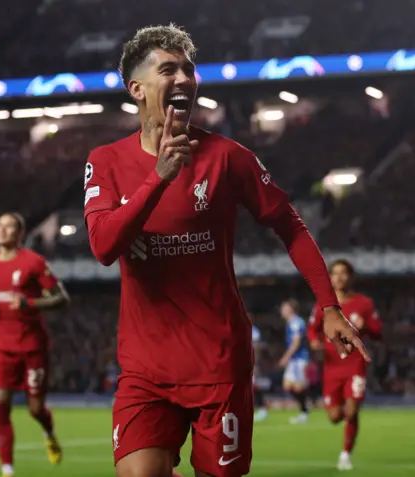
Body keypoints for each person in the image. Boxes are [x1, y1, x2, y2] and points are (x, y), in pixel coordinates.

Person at [83, 24, 368, 477]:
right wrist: (158, 178)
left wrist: (328, 305)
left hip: (219, 363)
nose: (184, 79)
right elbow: (103, 245)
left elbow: (289, 224)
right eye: (169, 69)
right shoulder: (106, 161)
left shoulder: (228, 157)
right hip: (146, 367)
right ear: (136, 88)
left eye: (189, 70)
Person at [0, 212, 70, 477]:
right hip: (1, 344)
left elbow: (62, 298)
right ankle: (7, 469)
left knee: (36, 408)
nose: (3, 230)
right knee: (0, 403)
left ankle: (49, 432)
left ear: (20, 234)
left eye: (9, 227)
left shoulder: (34, 263)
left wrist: (30, 303)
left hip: (31, 345)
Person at [308, 259, 381, 471]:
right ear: (329, 278)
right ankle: (346, 437)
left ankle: (346, 453)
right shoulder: (322, 306)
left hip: (355, 365)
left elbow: (379, 332)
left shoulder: (364, 304)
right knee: (334, 417)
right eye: (335, 273)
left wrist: (366, 326)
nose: (339, 277)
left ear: (351, 277)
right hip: (331, 367)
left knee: (351, 411)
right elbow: (313, 328)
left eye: (343, 273)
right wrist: (314, 340)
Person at [278, 299, 310, 424]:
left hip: (299, 359)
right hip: (294, 360)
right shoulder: (291, 323)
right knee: (288, 385)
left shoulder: (296, 323)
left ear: (290, 309)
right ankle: (306, 407)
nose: (282, 311)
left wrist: (286, 357)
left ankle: (305, 410)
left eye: (284, 308)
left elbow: (296, 342)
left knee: (298, 387)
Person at [250, 317, 268, 422]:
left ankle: (262, 409)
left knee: (253, 385)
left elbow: (256, 348)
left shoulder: (254, 331)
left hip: (251, 362)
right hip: (244, 362)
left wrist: (255, 363)